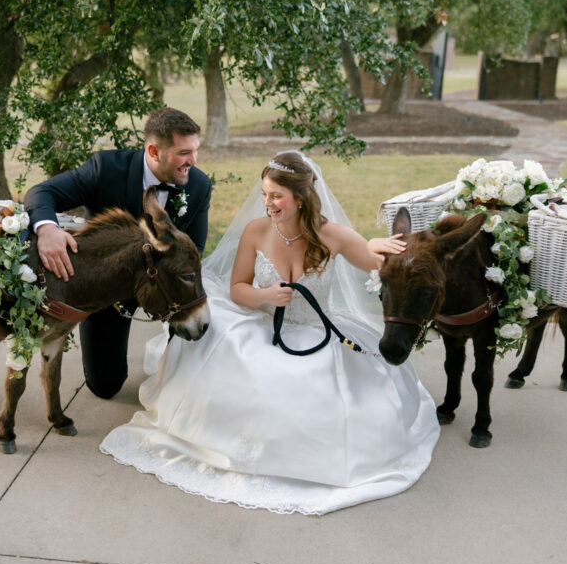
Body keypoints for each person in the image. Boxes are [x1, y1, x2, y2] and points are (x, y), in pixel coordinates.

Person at [100, 151, 440, 515]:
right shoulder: (257, 231)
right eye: (265, 194)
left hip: (314, 332)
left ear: (300, 197)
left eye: (276, 195)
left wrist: (374, 247)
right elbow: (237, 289)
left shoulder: (335, 236)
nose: (267, 202)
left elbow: (380, 266)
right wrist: (267, 296)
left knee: (322, 399)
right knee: (247, 379)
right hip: (257, 324)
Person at [24, 107, 212, 399]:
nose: (193, 161)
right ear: (153, 150)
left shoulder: (199, 186)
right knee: (105, 385)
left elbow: (195, 250)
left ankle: (180, 384)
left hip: (166, 287)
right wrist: (47, 230)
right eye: (184, 153)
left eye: (195, 151)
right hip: (109, 292)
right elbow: (41, 193)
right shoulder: (105, 168)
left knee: (196, 338)